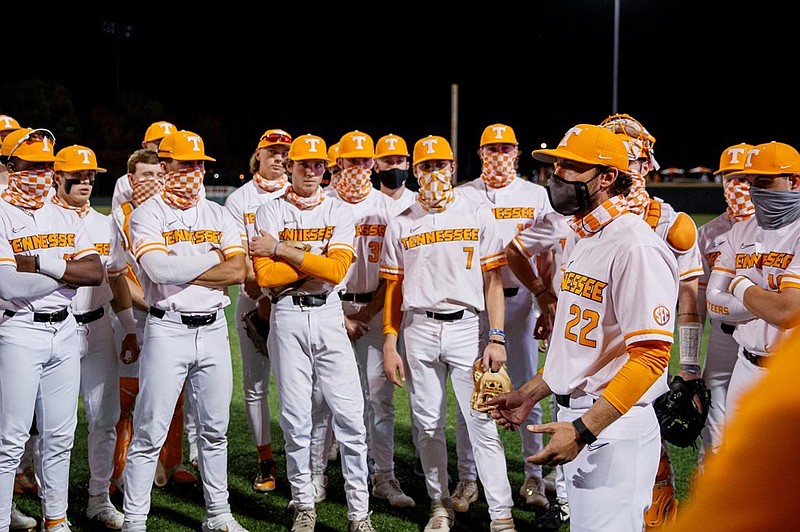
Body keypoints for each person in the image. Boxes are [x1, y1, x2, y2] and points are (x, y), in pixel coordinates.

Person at [486, 124, 679, 532]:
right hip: (581, 421)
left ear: (607, 177)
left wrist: (582, 431)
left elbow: (651, 358)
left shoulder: (635, 245)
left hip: (611, 427)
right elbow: (580, 348)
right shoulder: (583, 236)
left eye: (571, 167)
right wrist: (529, 393)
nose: (557, 177)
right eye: (556, 165)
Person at [380, 134, 517, 532]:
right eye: (425, 166)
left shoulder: (477, 213)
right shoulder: (402, 221)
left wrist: (497, 336)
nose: (434, 172)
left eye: (440, 165)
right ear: (414, 170)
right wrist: (390, 340)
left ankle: (501, 513)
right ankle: (438, 504)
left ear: (453, 167)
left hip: (467, 329)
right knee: (426, 424)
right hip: (418, 328)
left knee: (482, 423)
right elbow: (394, 287)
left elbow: (493, 281)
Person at [121, 130, 248, 532]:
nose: (194, 171)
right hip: (167, 329)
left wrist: (188, 270)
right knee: (149, 430)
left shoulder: (218, 213)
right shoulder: (148, 213)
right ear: (165, 167)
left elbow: (239, 270)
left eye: (199, 165)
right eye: (185, 164)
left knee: (214, 430)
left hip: (213, 331)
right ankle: (135, 520)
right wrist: (214, 258)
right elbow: (158, 271)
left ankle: (218, 514)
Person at [249, 133, 376, 532]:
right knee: (295, 416)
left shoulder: (339, 211)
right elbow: (267, 277)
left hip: (329, 316)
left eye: (319, 164)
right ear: (289, 166)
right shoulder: (268, 211)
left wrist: (283, 250)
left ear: (327, 168)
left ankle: (360, 512)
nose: (312, 170)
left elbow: (337, 272)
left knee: (351, 417)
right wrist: (315, 260)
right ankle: (303, 502)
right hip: (286, 316)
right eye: (304, 163)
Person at [599, 113, 704, 528]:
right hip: (589, 362)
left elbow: (689, 302)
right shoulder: (581, 221)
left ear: (646, 164)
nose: (627, 170)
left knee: (650, 474)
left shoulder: (670, 224)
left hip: (643, 364)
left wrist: (691, 370)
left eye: (633, 160)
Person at [0, 128, 104, 532]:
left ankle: (55, 519)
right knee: (10, 439)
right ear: (11, 168)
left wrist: (44, 265)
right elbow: (9, 285)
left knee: (61, 436)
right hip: (19, 330)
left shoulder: (64, 213)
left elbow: (94, 273)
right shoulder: (2, 212)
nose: (42, 174)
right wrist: (67, 275)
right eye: (33, 166)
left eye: (48, 165)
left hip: (64, 330)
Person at [455, 123, 553, 513]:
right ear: (480, 153)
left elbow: (547, 254)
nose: (499, 155)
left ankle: (534, 477)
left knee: (531, 389)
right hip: (473, 305)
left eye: (506, 148)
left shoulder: (535, 195)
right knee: (470, 396)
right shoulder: (462, 195)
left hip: (522, 302)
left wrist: (547, 302)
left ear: (517, 151)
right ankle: (467, 477)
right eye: (491, 149)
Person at [51, 144, 140, 529]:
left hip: (100, 324)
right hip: (58, 326)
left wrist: (130, 326)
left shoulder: (106, 224)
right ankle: (50, 503)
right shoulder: (43, 220)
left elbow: (118, 277)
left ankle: (98, 497)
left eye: (91, 175)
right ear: (56, 177)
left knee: (104, 416)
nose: (85, 181)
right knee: (54, 423)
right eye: (77, 175)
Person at [328, 130, 415, 508]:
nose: (360, 167)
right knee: (324, 399)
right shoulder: (324, 203)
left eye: (366, 161)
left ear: (374, 164)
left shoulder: (391, 208)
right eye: (352, 160)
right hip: (329, 308)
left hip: (375, 311)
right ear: (339, 163)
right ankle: (320, 475)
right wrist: (340, 313)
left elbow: (394, 275)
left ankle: (384, 475)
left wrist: (366, 312)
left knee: (379, 400)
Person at [108, 149, 198, 495]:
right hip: (134, 316)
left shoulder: (174, 214)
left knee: (173, 395)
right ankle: (119, 474)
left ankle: (171, 463)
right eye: (147, 176)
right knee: (127, 398)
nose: (155, 182)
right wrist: (160, 301)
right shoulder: (117, 217)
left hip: (168, 317)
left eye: (159, 176)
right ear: (131, 180)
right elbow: (115, 275)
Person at [663, 326, 800, 532]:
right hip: (740, 351)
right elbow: (705, 301)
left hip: (776, 361)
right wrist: (690, 365)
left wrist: (738, 291)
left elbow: (786, 309)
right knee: (713, 449)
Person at [705, 141, 800, 426]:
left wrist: (740, 286)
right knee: (740, 462)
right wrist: (766, 301)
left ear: (794, 181)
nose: (752, 190)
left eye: (764, 182)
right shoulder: (741, 231)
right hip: (745, 365)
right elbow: (712, 303)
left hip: (790, 371)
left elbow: (787, 312)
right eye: (750, 182)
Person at [223, 128, 292, 493]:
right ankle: (265, 459)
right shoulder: (240, 199)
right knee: (255, 386)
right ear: (258, 155)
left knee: (302, 387)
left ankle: (311, 460)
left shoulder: (301, 193)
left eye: (285, 151)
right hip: (254, 300)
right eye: (273, 151)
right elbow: (240, 256)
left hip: (295, 301)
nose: (279, 157)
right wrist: (263, 296)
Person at [504, 207, 572, 528]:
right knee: (566, 406)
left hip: (617, 335)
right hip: (570, 331)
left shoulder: (643, 223)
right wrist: (542, 296)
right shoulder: (561, 221)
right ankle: (565, 496)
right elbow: (521, 253)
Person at [695, 142, 754, 465]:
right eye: (729, 178)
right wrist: (691, 362)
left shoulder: (783, 231)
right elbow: (701, 302)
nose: (736, 186)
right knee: (714, 425)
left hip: (768, 336)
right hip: (722, 336)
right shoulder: (708, 233)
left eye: (744, 178)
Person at [111, 121, 177, 211]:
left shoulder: (189, 179)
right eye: (159, 143)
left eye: (170, 144)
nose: (165, 148)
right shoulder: (125, 182)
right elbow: (120, 218)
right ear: (145, 145)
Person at [374, 133, 417, 211]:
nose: (394, 166)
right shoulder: (368, 204)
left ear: (407, 166)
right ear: (376, 167)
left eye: (399, 161)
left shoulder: (418, 202)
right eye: (388, 161)